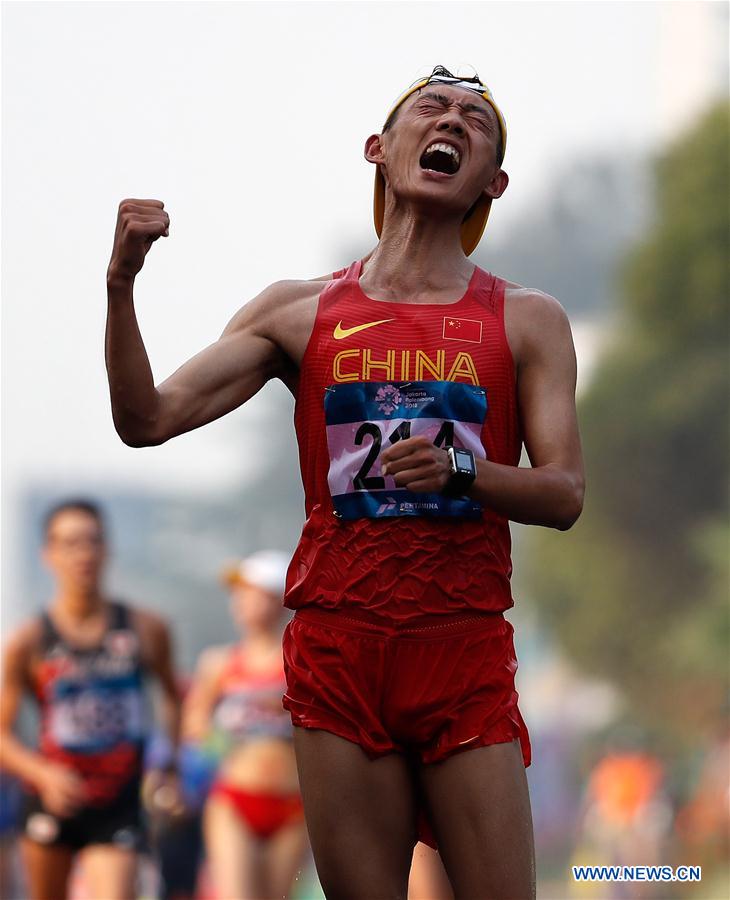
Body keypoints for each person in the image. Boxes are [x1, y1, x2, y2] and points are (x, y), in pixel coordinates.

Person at [104, 64, 585, 898]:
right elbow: (147, 419)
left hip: (460, 645)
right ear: (379, 149)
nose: (454, 121)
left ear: (493, 182)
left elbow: (566, 493)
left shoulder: (526, 317)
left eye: (476, 121)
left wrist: (462, 469)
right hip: (339, 645)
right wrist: (120, 287)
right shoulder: (295, 312)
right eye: (432, 109)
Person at [0, 499, 181, 900]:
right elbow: (2, 736)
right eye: (69, 544)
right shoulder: (28, 640)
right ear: (48, 555)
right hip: (53, 799)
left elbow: (174, 698)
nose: (82, 554)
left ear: (107, 549)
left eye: (91, 541)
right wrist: (43, 774)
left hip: (118, 801)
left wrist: (168, 766)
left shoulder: (146, 629)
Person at [181, 550, 309, 899]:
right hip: (234, 800)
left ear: (278, 598)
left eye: (251, 593)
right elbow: (193, 726)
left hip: (291, 804)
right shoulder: (219, 663)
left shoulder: (302, 663)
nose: (240, 603)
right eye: (238, 594)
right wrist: (219, 736)